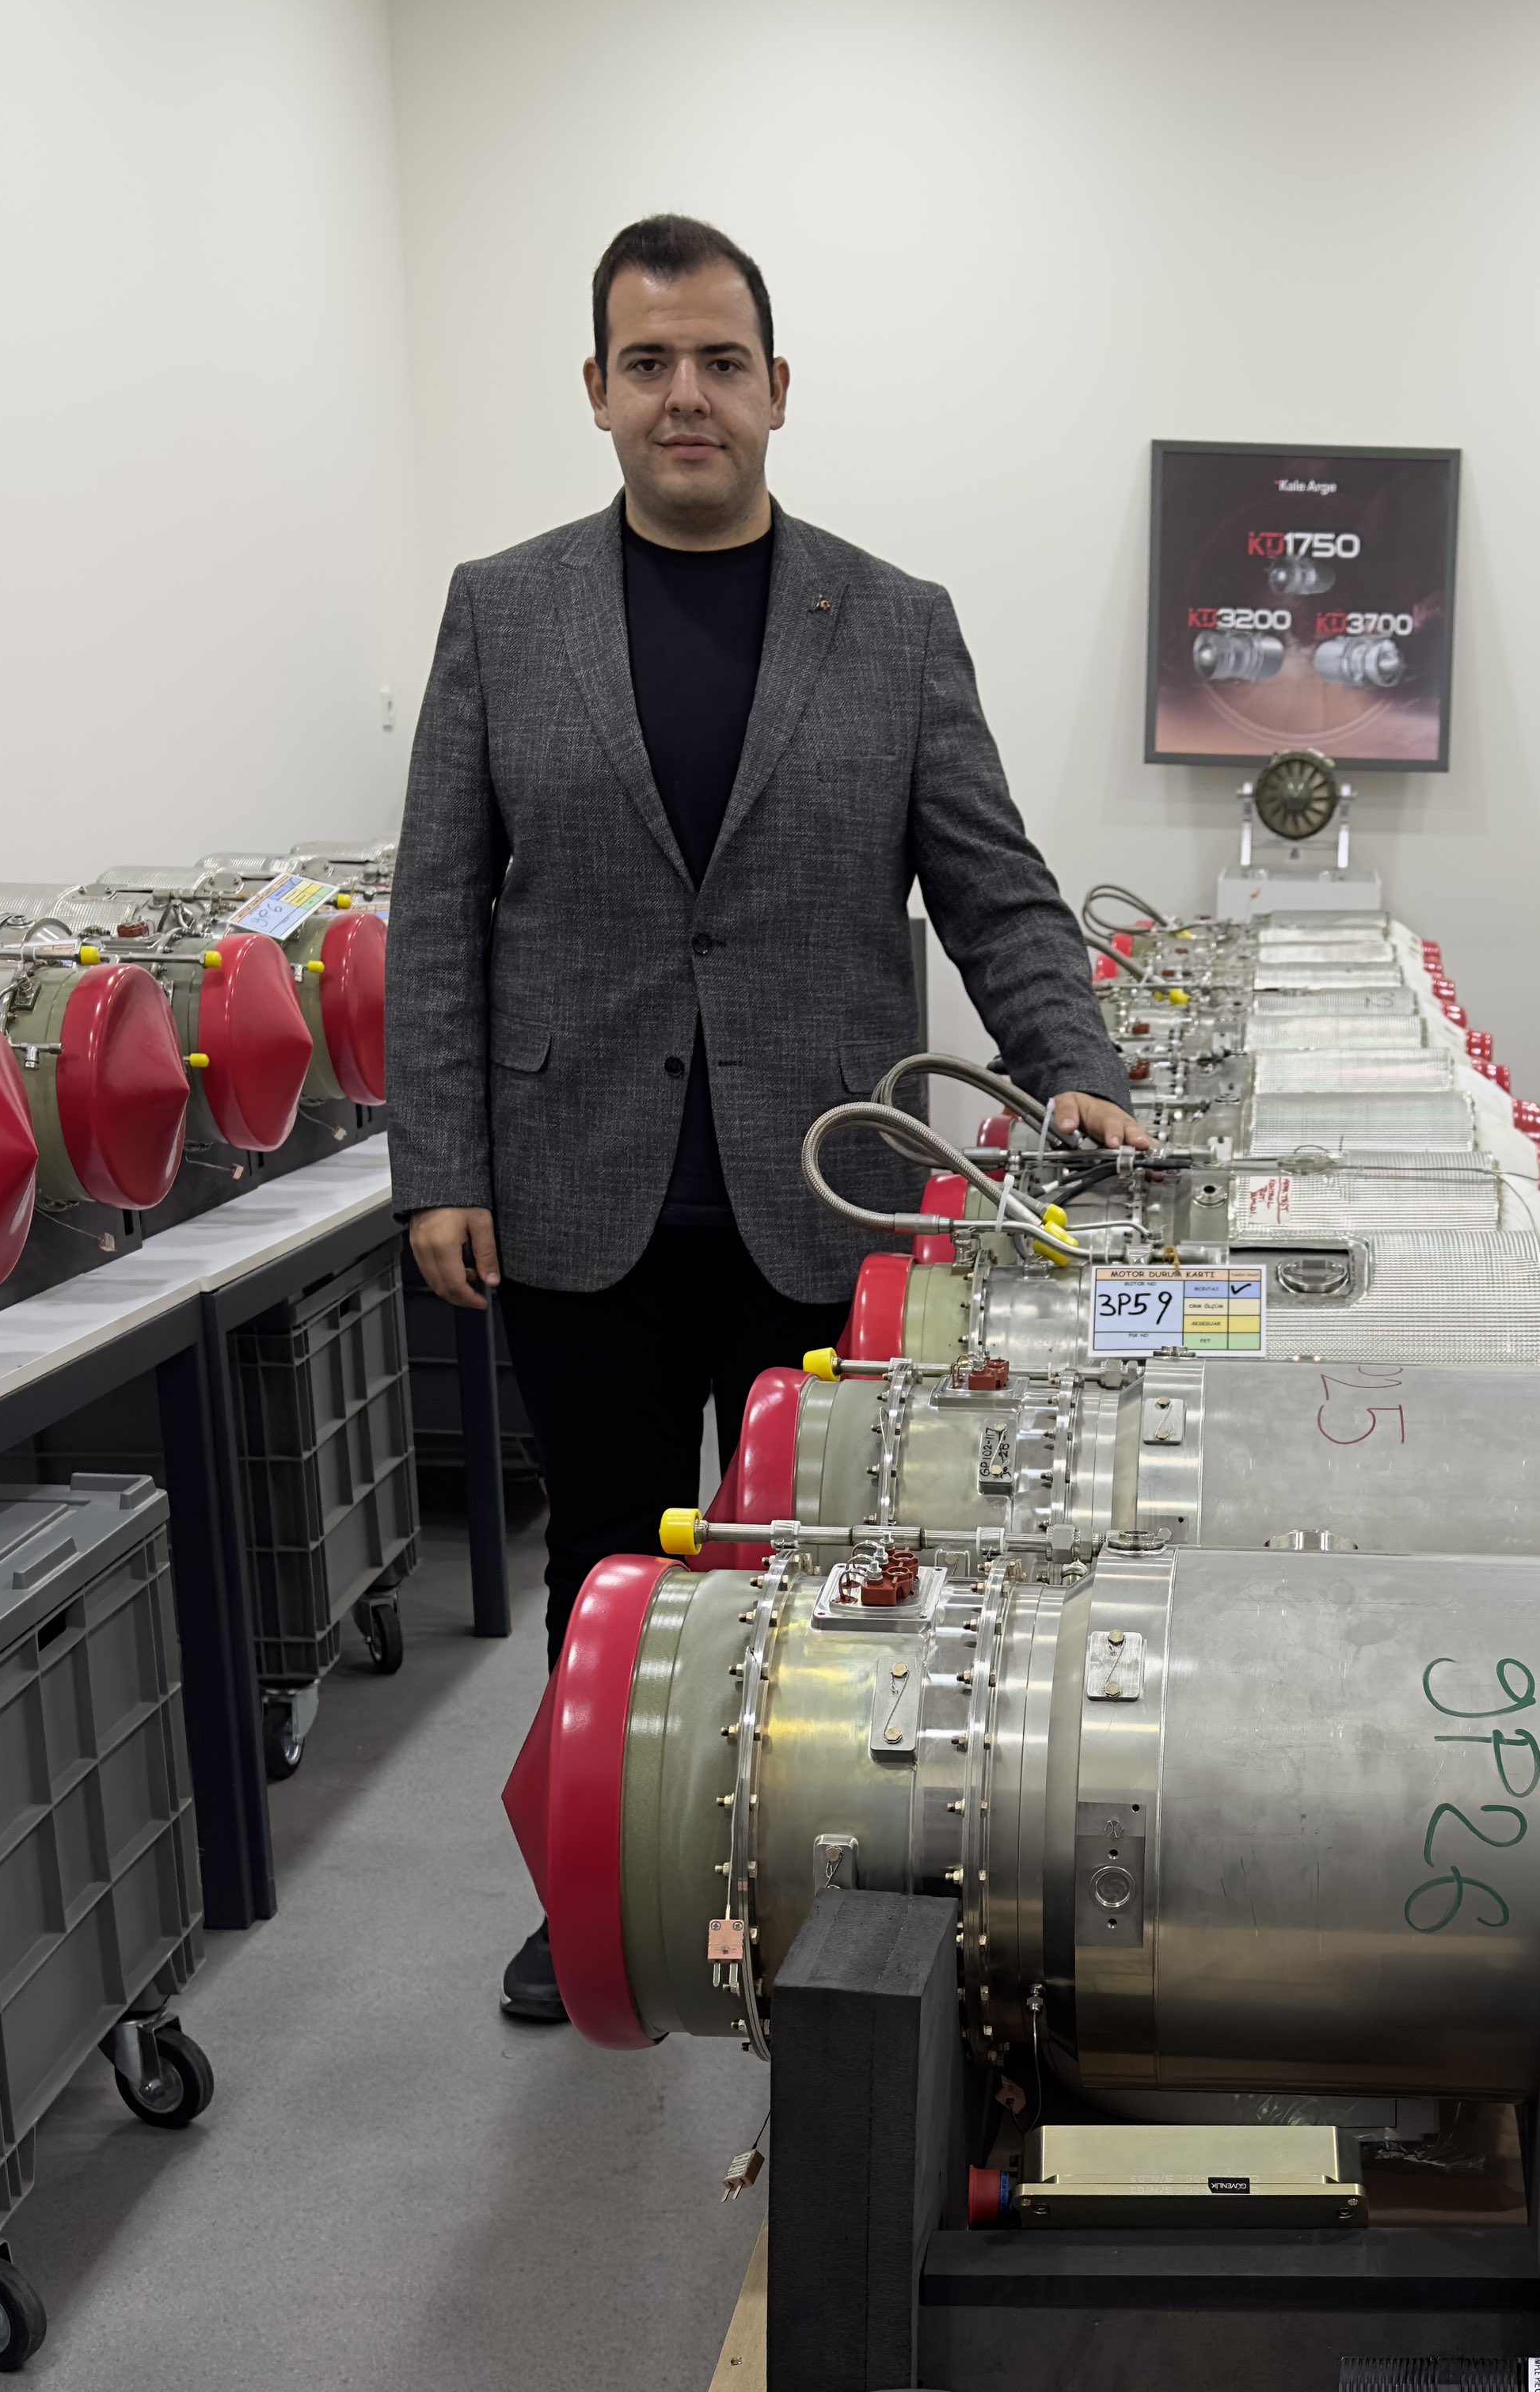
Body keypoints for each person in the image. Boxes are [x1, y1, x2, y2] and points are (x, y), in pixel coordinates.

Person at [386, 213, 1144, 2021]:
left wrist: (1076, 1066)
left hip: (831, 1200)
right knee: (606, 1572)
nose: (687, 395)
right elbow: (437, 911)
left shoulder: (892, 623)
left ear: (778, 388)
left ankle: (835, 1898)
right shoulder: (504, 611)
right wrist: (439, 1167)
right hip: (580, 1197)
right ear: (596, 390)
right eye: (649, 363)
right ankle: (594, 1896)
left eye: (720, 361)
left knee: (840, 1575)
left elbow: (995, 885)